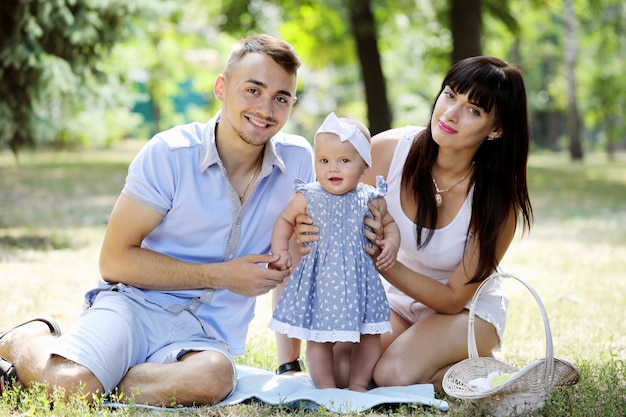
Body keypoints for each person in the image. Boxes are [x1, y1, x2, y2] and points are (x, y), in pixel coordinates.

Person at [0, 34, 314, 406]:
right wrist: (225, 274)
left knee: (213, 378)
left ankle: (99, 381)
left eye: (281, 98)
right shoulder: (169, 154)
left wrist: (289, 362)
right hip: (134, 306)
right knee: (70, 386)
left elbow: (294, 265)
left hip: (204, 337)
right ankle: (30, 336)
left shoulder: (298, 162)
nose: (266, 108)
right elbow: (114, 261)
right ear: (221, 87)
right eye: (253, 90)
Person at [281, 56, 533, 390]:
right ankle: (451, 367)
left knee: (392, 374)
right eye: (450, 95)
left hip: (464, 313)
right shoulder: (387, 151)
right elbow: (322, 210)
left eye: (474, 110)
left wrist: (384, 263)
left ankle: (495, 376)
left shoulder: (497, 203)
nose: (450, 114)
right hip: (396, 302)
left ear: (496, 129)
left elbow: (452, 298)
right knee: (342, 370)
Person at [268, 112, 400, 392]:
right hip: (322, 281)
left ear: (364, 164)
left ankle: (359, 384)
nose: (333, 169)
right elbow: (284, 220)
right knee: (318, 338)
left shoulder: (371, 197)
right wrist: (281, 249)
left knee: (370, 336)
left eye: (344, 161)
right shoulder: (308, 195)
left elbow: (389, 225)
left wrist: (391, 243)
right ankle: (325, 387)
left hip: (360, 282)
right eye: (324, 161)